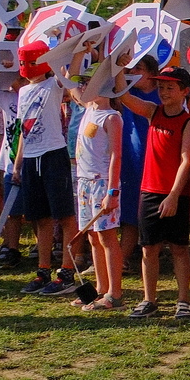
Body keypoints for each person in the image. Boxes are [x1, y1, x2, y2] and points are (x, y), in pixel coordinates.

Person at [118, 66, 190, 319]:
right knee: (148, 249)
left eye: (170, 87)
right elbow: (124, 96)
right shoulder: (153, 112)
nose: (163, 92)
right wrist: (118, 64)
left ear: (184, 91)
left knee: (178, 248)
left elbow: (186, 160)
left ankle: (183, 300)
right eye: (161, 87)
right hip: (149, 191)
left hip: (175, 194)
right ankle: (149, 300)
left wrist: (174, 195)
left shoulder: (188, 123)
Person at [13, 42, 80, 298]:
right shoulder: (22, 93)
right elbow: (23, 130)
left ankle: (66, 270)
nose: (27, 68)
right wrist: (18, 163)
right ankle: (43, 269)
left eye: (32, 62)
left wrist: (78, 52)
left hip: (53, 154)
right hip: (31, 157)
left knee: (64, 214)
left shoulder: (52, 85)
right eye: (24, 63)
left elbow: (69, 78)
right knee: (39, 217)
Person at [71, 67, 125, 311]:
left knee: (107, 237)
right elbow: (68, 82)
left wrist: (112, 191)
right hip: (84, 181)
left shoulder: (111, 117)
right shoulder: (88, 109)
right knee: (92, 236)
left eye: (87, 82)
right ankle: (101, 288)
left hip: (102, 182)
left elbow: (116, 155)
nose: (82, 86)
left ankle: (115, 292)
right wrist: (80, 53)